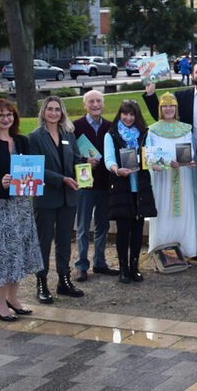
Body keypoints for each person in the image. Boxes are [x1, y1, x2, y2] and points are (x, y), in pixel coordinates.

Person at [0, 99, 41, 321]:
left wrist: (34, 180)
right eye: (0, 115)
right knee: (2, 253)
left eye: (9, 114)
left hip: (21, 205)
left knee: (19, 251)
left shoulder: (21, 141)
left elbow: (31, 170)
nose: (6, 119)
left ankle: (13, 298)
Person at [27, 96, 83, 303]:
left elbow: (76, 158)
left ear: (62, 113)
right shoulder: (34, 137)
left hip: (69, 197)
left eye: (57, 110)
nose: (53, 113)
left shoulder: (68, 133)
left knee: (64, 242)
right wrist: (62, 179)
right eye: (49, 109)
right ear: (43, 112)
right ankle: (41, 283)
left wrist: (84, 170)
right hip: (46, 197)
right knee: (43, 243)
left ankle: (64, 280)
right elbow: (36, 169)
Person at [146, 92, 197, 258]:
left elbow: (190, 151)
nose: (168, 108)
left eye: (171, 105)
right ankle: (162, 248)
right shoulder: (152, 131)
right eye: (164, 105)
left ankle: (186, 247)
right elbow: (150, 155)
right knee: (163, 209)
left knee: (184, 209)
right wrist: (167, 163)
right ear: (160, 108)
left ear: (176, 108)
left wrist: (187, 161)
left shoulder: (185, 129)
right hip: (163, 178)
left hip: (183, 176)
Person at [104, 101, 157, 284]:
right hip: (121, 187)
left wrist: (155, 163)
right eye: (125, 114)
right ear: (120, 115)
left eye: (132, 115)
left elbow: (149, 155)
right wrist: (117, 170)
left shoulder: (144, 134)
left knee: (137, 230)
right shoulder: (111, 135)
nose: (128, 118)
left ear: (137, 116)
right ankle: (123, 269)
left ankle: (135, 267)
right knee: (123, 230)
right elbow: (109, 158)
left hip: (140, 187)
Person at [71, 90, 118, 282]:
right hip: (85, 184)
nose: (95, 104)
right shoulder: (75, 127)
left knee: (102, 225)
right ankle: (81, 265)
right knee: (82, 226)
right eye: (91, 101)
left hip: (105, 184)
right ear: (84, 104)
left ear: (103, 103)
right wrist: (84, 160)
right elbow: (69, 155)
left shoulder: (110, 126)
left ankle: (100, 262)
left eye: (98, 100)